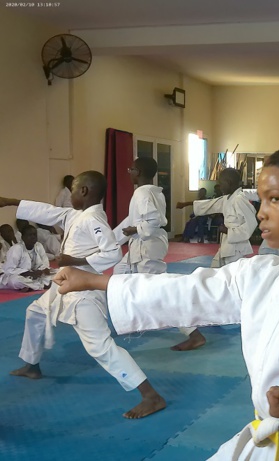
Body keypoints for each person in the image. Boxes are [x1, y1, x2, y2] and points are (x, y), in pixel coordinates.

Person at [55, 143, 279, 460]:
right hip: (271, 434)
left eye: (275, 199)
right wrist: (97, 281)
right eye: (262, 199)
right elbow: (188, 292)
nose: (261, 211)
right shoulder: (260, 272)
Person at [0, 171, 166, 419]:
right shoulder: (75, 214)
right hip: (64, 284)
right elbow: (47, 211)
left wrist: (74, 260)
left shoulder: (94, 219)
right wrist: (11, 202)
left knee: (101, 347)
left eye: (74, 190)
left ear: (84, 192)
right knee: (35, 312)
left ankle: (150, 396)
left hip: (84, 291)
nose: (70, 196)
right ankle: (32, 364)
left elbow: (112, 253)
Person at [119, 158, 207, 352]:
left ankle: (194, 333)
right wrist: (112, 240)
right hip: (145, 245)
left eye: (131, 169)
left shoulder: (142, 192)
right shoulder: (154, 192)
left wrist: (134, 229)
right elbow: (136, 220)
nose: (129, 172)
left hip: (146, 246)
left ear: (138, 171)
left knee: (159, 292)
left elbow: (152, 221)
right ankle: (134, 319)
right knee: (120, 275)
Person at [174, 168, 257, 351]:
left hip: (236, 247)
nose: (220, 185)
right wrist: (187, 203)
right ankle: (213, 309)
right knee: (212, 277)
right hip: (226, 246)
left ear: (231, 183)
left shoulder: (240, 199)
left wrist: (229, 230)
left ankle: (244, 314)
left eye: (222, 182)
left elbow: (251, 225)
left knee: (234, 284)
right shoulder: (228, 198)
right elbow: (210, 205)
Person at [2, 224, 53, 290]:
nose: (33, 237)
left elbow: (45, 261)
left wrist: (43, 270)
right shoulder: (16, 248)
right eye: (30, 235)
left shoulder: (39, 245)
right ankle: (41, 286)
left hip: (36, 275)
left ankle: (30, 287)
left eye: (34, 235)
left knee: (57, 273)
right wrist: (30, 273)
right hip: (21, 275)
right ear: (23, 237)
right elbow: (9, 270)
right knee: (14, 281)